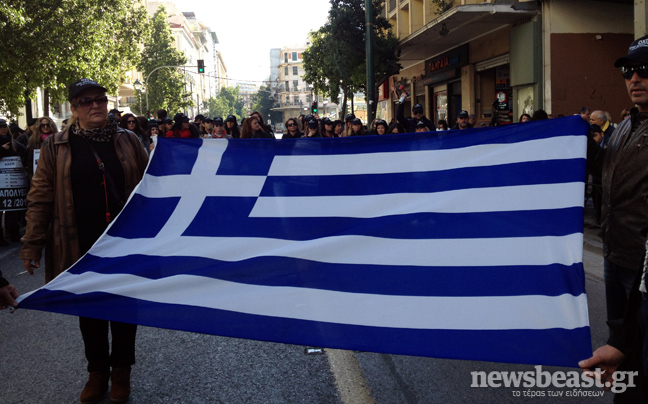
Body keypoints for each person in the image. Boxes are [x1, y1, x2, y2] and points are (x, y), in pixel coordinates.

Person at [19, 78, 148, 404]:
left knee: (123, 307)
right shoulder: (56, 146)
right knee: (88, 307)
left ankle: (121, 372)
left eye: (100, 100)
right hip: (79, 240)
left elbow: (153, 186)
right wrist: (31, 243)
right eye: (86, 101)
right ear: (74, 109)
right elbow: (40, 197)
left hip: (124, 241)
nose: (95, 106)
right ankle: (97, 372)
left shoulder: (128, 140)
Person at [581, 35, 648, 402]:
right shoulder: (624, 126)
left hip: (643, 267)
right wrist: (581, 141)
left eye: (644, 70)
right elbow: (601, 169)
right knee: (623, 348)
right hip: (615, 255)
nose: (635, 79)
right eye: (629, 72)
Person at [1, 119, 27, 244]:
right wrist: (2, 150)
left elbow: (25, 152)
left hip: (12, 181)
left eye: (4, 127)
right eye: (0, 127)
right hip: (2, 181)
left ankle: (13, 233)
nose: (3, 129)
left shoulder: (13, 142)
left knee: (14, 208)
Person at [25, 116, 58, 182]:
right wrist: (31, 176)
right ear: (39, 126)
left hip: (55, 174)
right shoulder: (33, 140)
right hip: (38, 176)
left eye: (48, 125)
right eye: (43, 125)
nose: (45, 127)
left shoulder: (58, 139)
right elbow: (29, 160)